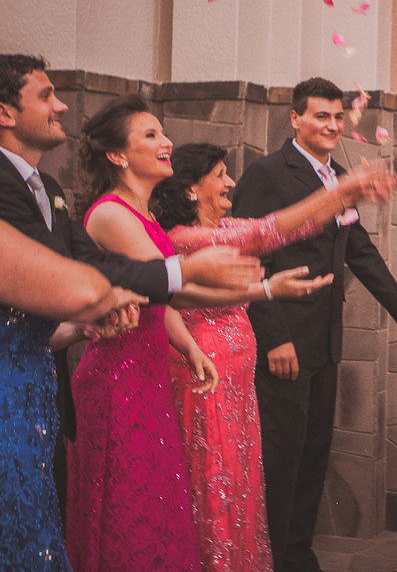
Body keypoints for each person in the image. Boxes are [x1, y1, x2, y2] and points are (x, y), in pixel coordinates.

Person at [0, 55, 261, 538]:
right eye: (44, 96)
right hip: (22, 384)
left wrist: (91, 317)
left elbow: (100, 268)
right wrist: (194, 272)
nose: (60, 105)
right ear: (5, 113)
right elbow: (65, 280)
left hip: (45, 380)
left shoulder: (49, 189)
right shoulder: (92, 208)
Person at [152, 143, 396, 572]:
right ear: (191, 189)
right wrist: (340, 189)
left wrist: (343, 198)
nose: (231, 182)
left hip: (237, 382)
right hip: (204, 377)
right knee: (214, 484)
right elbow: (265, 232)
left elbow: (285, 230)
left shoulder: (223, 223)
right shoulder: (185, 240)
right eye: (221, 174)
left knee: (240, 479)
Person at [231, 77, 397, 572]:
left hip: (324, 347)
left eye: (338, 117)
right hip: (282, 345)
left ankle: (297, 555)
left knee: (312, 457)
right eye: (320, 116)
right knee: (280, 461)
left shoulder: (338, 176)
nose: (332, 126)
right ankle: (269, 560)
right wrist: (275, 337)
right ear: (295, 119)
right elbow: (246, 256)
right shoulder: (268, 174)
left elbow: (360, 252)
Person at [68, 94, 221, 572]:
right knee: (125, 504)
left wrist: (190, 347)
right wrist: (254, 285)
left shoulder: (149, 214)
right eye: (151, 134)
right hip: (117, 381)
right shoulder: (111, 213)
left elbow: (158, 299)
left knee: (156, 501)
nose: (166, 142)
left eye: (163, 132)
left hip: (149, 375)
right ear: (117, 155)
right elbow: (164, 280)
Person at [0, 222, 146, 572]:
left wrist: (84, 328)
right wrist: (108, 298)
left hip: (33, 425)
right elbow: (87, 289)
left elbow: (23, 339)